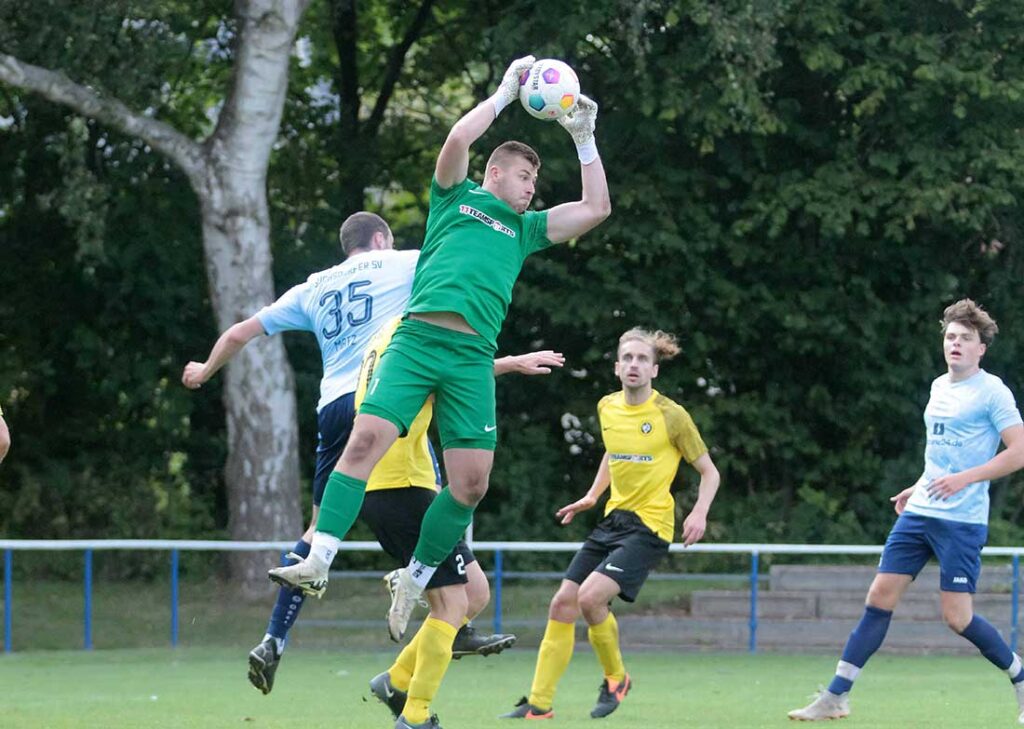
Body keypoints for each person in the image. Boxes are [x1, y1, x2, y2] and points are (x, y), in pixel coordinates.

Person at [268, 53, 612, 652]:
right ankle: (317, 559)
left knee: (471, 485)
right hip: (419, 341)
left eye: (536, 182)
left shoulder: (525, 231)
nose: (533, 188)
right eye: (525, 178)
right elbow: (456, 137)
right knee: (365, 441)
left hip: (472, 359)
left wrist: (584, 139)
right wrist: (504, 94)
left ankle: (416, 577)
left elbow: (596, 209)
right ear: (495, 176)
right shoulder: (456, 202)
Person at [182, 211, 420, 694]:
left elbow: (238, 334)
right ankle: (436, 586)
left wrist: (204, 370)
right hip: (380, 397)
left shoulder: (314, 286)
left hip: (332, 408)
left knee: (318, 530)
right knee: (431, 490)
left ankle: (274, 639)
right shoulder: (403, 263)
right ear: (380, 239)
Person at [788, 299, 1024, 722]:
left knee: (957, 618)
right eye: (950, 337)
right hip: (921, 511)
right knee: (879, 596)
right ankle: (837, 695)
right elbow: (941, 457)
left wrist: (966, 479)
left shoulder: (993, 391)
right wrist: (917, 487)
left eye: (965, 339)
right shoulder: (938, 386)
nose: (955, 344)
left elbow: (1019, 452)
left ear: (980, 348)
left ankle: (1019, 673)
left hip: (962, 520)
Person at [499, 327, 721, 720]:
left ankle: (616, 678)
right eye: (628, 359)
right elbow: (613, 453)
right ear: (618, 368)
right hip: (612, 521)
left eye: (642, 360)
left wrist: (699, 511)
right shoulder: (607, 407)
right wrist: (592, 495)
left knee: (589, 598)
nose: (634, 365)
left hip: (649, 528)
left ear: (654, 370)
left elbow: (709, 472)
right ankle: (539, 704)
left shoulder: (672, 416)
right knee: (562, 603)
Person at [360, 317, 564, 729]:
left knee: (474, 593)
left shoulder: (388, 334)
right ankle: (414, 716)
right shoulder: (417, 333)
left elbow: (441, 373)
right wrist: (507, 365)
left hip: (397, 487)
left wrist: (510, 362)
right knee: (451, 605)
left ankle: (395, 679)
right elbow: (453, 374)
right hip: (403, 489)